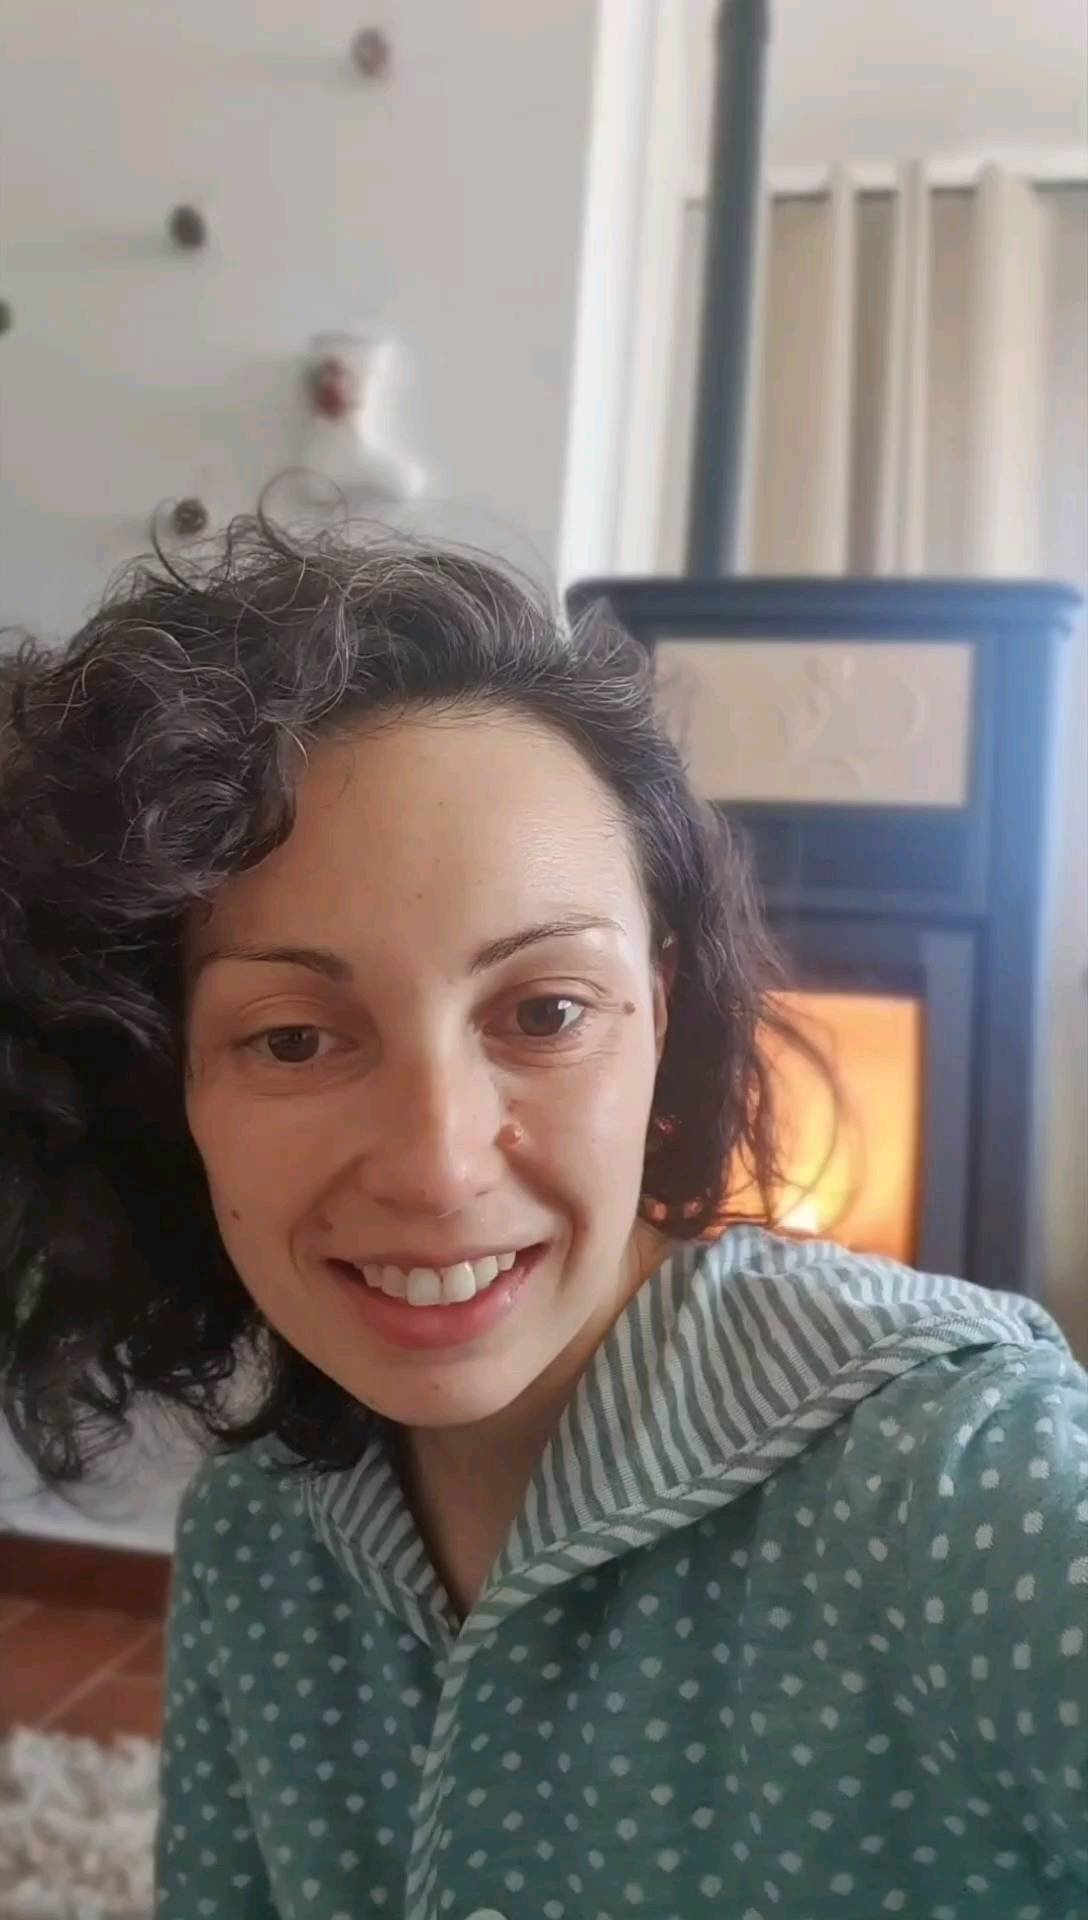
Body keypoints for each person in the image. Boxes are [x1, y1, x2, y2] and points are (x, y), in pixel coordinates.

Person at [1, 515, 1085, 1920]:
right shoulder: (255, 1539)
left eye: (546, 1012)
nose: (437, 1166)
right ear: (170, 1088)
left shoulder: (962, 1485)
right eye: (293, 1039)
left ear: (662, 1023)